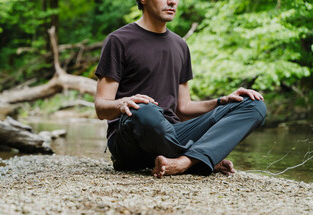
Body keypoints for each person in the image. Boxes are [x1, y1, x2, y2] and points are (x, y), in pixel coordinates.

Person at [94, 0, 266, 178]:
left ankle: (183, 163)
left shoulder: (180, 45)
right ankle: (200, 159)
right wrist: (123, 103)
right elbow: (101, 108)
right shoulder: (118, 40)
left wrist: (222, 101)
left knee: (254, 105)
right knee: (144, 110)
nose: (172, 2)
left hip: (172, 133)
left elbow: (183, 109)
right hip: (130, 141)